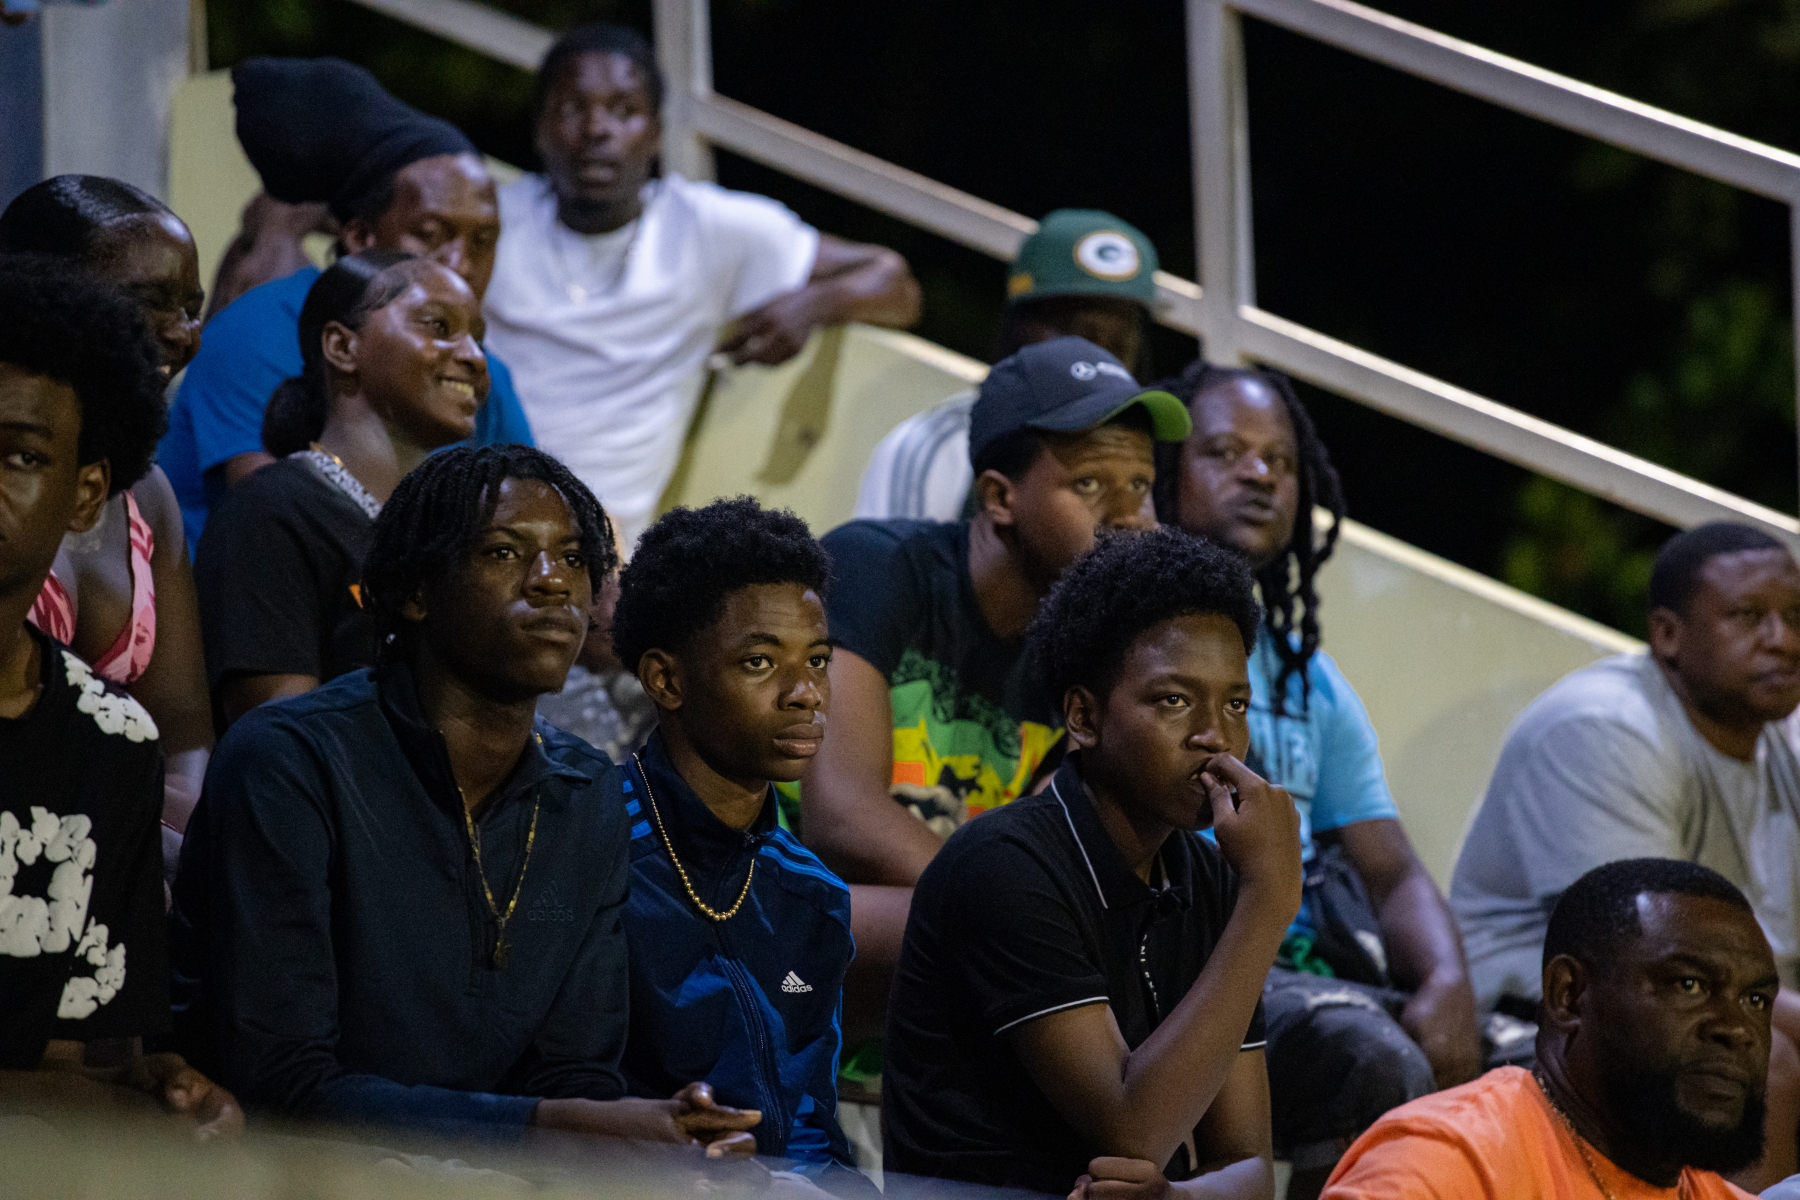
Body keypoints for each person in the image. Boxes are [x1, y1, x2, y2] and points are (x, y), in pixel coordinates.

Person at [169, 444, 760, 1150]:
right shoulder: (291, 762)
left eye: (574, 558)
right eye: (506, 552)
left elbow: (575, 1074)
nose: (552, 582)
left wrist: (649, 1146)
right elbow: (281, 1085)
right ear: (417, 591)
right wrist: (562, 1127)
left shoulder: (588, 794)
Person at [882, 525, 1301, 1195]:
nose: (1216, 736)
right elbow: (1132, 1130)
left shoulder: (1214, 879)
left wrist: (1175, 1198)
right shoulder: (1005, 866)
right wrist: (1269, 901)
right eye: (1174, 700)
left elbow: (1249, 1167)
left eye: (1235, 704)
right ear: (1083, 717)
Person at [1158, 361, 1478, 1195]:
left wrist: (1447, 981)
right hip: (1195, 962)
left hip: (1312, 971)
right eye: (1225, 452)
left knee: (1531, 1067)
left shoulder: (1310, 679)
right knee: (1369, 1056)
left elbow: (1392, 870)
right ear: (1164, 471)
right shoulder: (1134, 638)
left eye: (1281, 460)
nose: (1260, 474)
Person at [1451, 520, 1800, 1186]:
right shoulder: (1606, 729)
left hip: (1696, 994)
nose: (1783, 639)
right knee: (1762, 1062)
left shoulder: (1776, 745)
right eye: (1749, 616)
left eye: (1796, 617)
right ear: (1668, 634)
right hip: (1546, 1009)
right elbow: (1648, 957)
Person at [482, 23, 922, 547]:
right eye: (574, 108)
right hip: (476, 496)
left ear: (655, 133)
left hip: (596, 532)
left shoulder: (704, 229)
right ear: (541, 128)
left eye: (624, 110)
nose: (597, 129)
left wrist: (813, 306)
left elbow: (895, 284)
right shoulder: (491, 220)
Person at [0, 255, 239, 1136]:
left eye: (21, 456)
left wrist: (144, 1091)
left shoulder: (108, 741)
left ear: (85, 493)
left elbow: (66, 1056)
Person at [803, 336, 1188, 880]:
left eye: (1140, 485)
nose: (1130, 517)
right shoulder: (877, 566)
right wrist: (997, 910)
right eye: (1089, 483)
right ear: (1000, 498)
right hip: (781, 895)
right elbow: (842, 818)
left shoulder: (1092, 651)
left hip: (932, 910)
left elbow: (1058, 857)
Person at [160, 56, 535, 549]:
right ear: (360, 237)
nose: (460, 264)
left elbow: (530, 515)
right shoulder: (257, 330)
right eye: (431, 234)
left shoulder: (483, 373)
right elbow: (281, 531)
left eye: (484, 241)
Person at [607, 496, 856, 1166]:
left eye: (818, 660)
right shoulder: (590, 850)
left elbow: (812, 1125)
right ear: (666, 679)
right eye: (760, 662)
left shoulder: (813, 895)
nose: (805, 693)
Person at [1319, 858, 1771, 1199]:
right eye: (1689, 985)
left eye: (1756, 1000)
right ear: (1567, 995)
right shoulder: (1442, 1166)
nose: (1737, 1029)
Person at [0, 176, 215, 849]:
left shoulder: (148, 494)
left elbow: (184, 739)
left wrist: (167, 844)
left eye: (192, 308)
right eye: (148, 302)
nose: (181, 333)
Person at [192, 252, 490, 731]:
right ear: (342, 346)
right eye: (439, 326)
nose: (475, 357)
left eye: (479, 338)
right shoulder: (270, 514)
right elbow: (279, 741)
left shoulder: (457, 533)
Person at [856, 209, 1161, 523]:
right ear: (1017, 326)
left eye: (1118, 344)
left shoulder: (1154, 464)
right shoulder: (937, 446)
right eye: (1076, 334)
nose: (1094, 362)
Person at [534, 571, 656, 763]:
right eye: (594, 600)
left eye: (616, 595)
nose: (609, 613)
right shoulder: (549, 686)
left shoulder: (644, 678)